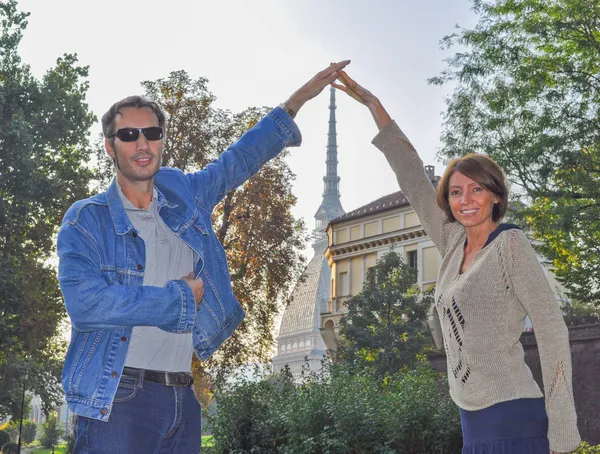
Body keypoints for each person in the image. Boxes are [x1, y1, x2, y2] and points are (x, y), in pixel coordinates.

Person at [57, 60, 350, 454]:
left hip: (181, 394)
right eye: (128, 134)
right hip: (118, 398)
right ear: (111, 146)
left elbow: (237, 161)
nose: (142, 144)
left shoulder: (184, 195)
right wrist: (178, 299)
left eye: (152, 133)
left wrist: (295, 103)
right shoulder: (86, 220)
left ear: (162, 140)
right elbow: (88, 305)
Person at [332, 71, 580, 454]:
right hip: (472, 422)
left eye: (477, 189)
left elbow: (551, 330)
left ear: (495, 196)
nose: (465, 199)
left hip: (513, 416)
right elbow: (413, 177)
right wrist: (374, 107)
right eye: (456, 191)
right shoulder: (451, 242)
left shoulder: (509, 245)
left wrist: (562, 431)